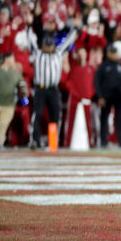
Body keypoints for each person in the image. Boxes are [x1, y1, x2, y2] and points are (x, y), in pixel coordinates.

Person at [27, 21, 79, 149]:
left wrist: (76, 28)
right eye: (47, 46)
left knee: (55, 115)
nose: (49, 48)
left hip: (53, 90)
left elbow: (68, 41)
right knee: (37, 114)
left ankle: (53, 142)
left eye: (50, 46)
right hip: (40, 88)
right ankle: (34, 140)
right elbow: (30, 40)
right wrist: (28, 26)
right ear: (43, 46)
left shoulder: (58, 52)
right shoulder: (38, 53)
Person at [95, 44, 121, 148]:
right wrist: (100, 96)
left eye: (115, 53)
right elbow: (97, 82)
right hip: (106, 97)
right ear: (108, 54)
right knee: (104, 119)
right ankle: (103, 141)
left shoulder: (120, 66)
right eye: (112, 53)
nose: (114, 55)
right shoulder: (103, 66)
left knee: (120, 119)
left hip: (119, 96)